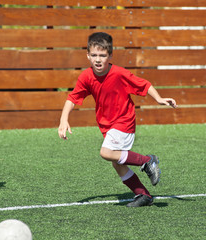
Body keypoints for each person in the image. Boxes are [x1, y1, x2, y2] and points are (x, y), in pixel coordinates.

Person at [58, 32, 177, 207]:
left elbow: (144, 84)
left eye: (103, 55)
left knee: (105, 153)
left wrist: (158, 99)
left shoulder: (119, 74)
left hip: (124, 121)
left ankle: (147, 161)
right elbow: (72, 98)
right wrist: (63, 119)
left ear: (110, 55)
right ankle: (143, 195)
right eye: (94, 55)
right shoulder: (86, 77)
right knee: (117, 164)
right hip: (107, 125)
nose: (98, 59)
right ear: (88, 55)